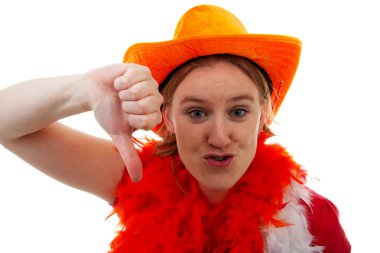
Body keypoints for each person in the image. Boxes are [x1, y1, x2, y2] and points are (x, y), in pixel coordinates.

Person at [0, 4, 350, 253]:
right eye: (197, 112)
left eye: (238, 111)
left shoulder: (311, 221)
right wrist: (82, 89)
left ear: (265, 114)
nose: (218, 136)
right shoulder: (138, 179)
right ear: (166, 117)